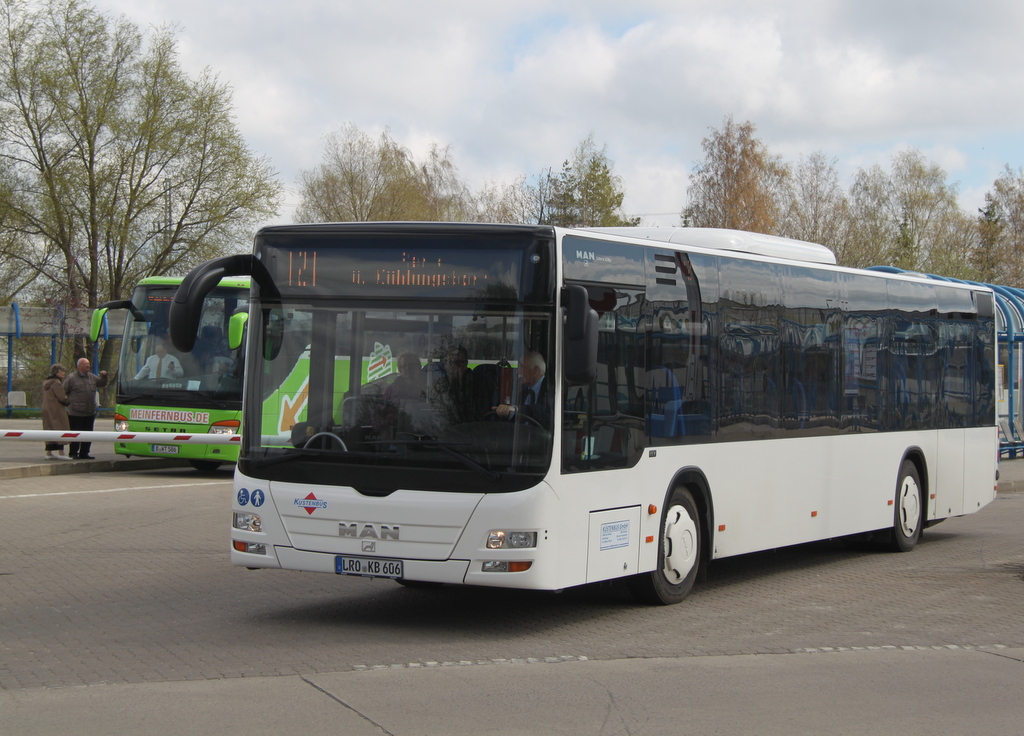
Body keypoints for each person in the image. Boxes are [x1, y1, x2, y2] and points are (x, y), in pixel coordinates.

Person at [429, 345, 490, 425]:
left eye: (459, 363)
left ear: (466, 364)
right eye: (451, 362)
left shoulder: (477, 385)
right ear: (445, 365)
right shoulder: (439, 383)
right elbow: (433, 410)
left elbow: (479, 414)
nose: (454, 366)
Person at [63, 357, 109, 460]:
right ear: (79, 366)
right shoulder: (72, 378)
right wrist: (68, 403)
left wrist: (105, 376)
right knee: (75, 434)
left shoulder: (92, 377)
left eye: (88, 364)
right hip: (75, 413)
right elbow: (63, 391)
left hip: (89, 412)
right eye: (85, 364)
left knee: (88, 434)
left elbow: (102, 383)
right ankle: (73, 453)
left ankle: (84, 453)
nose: (88, 366)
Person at [492, 350, 552, 428]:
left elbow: (542, 410)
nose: (518, 371)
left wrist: (515, 410)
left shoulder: (549, 387)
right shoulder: (524, 390)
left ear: (535, 371)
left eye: (522, 367)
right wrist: (504, 412)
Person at [41, 363, 72, 460]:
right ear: (57, 372)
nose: (64, 373)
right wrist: (68, 400)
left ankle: (49, 452)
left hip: (47, 409)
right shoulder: (56, 383)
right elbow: (62, 397)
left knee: (49, 429)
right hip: (57, 410)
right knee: (60, 428)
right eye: (62, 371)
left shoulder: (46, 383)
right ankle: (61, 452)